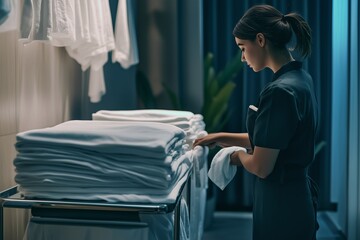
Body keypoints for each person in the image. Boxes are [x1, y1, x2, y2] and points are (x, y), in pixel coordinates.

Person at [193, 4, 319, 240]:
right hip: (296, 199)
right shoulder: (301, 79)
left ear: (260, 40)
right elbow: (273, 141)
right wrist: (220, 137)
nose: (242, 58)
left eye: (243, 48)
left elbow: (262, 166)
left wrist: (234, 156)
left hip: (280, 205)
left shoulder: (279, 92)